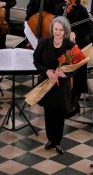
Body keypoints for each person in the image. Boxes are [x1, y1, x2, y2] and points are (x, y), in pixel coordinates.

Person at [33, 17, 78, 154]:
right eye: (55, 29)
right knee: (48, 112)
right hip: (47, 83)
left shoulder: (69, 45)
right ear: (52, 29)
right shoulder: (43, 42)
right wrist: (46, 71)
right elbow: (36, 61)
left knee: (59, 114)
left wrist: (66, 74)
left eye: (60, 30)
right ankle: (50, 139)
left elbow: (76, 66)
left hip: (62, 85)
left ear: (65, 31)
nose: (57, 32)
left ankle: (57, 141)